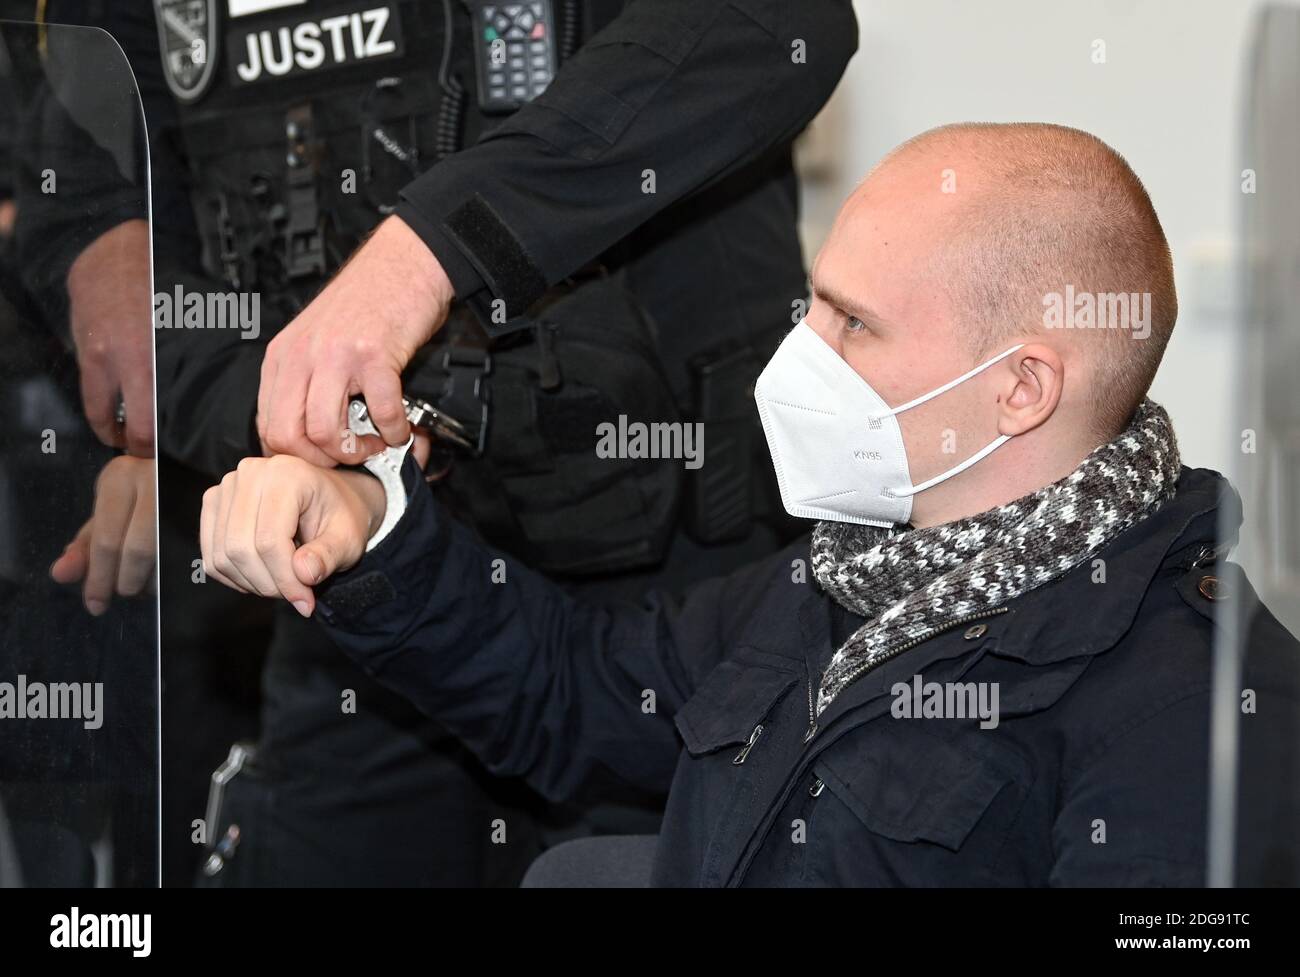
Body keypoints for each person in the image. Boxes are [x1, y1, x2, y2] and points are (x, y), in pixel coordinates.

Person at [199, 122, 1300, 886]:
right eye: (810, 305)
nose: (798, 357)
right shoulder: (844, 578)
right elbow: (578, 691)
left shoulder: (1204, 707)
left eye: (851, 324)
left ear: (1020, 388)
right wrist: (371, 527)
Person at [45, 0, 857, 884]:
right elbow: (93, 213)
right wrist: (332, 431)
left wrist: (430, 252)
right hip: (362, 576)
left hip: (673, 588)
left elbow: (776, 20)